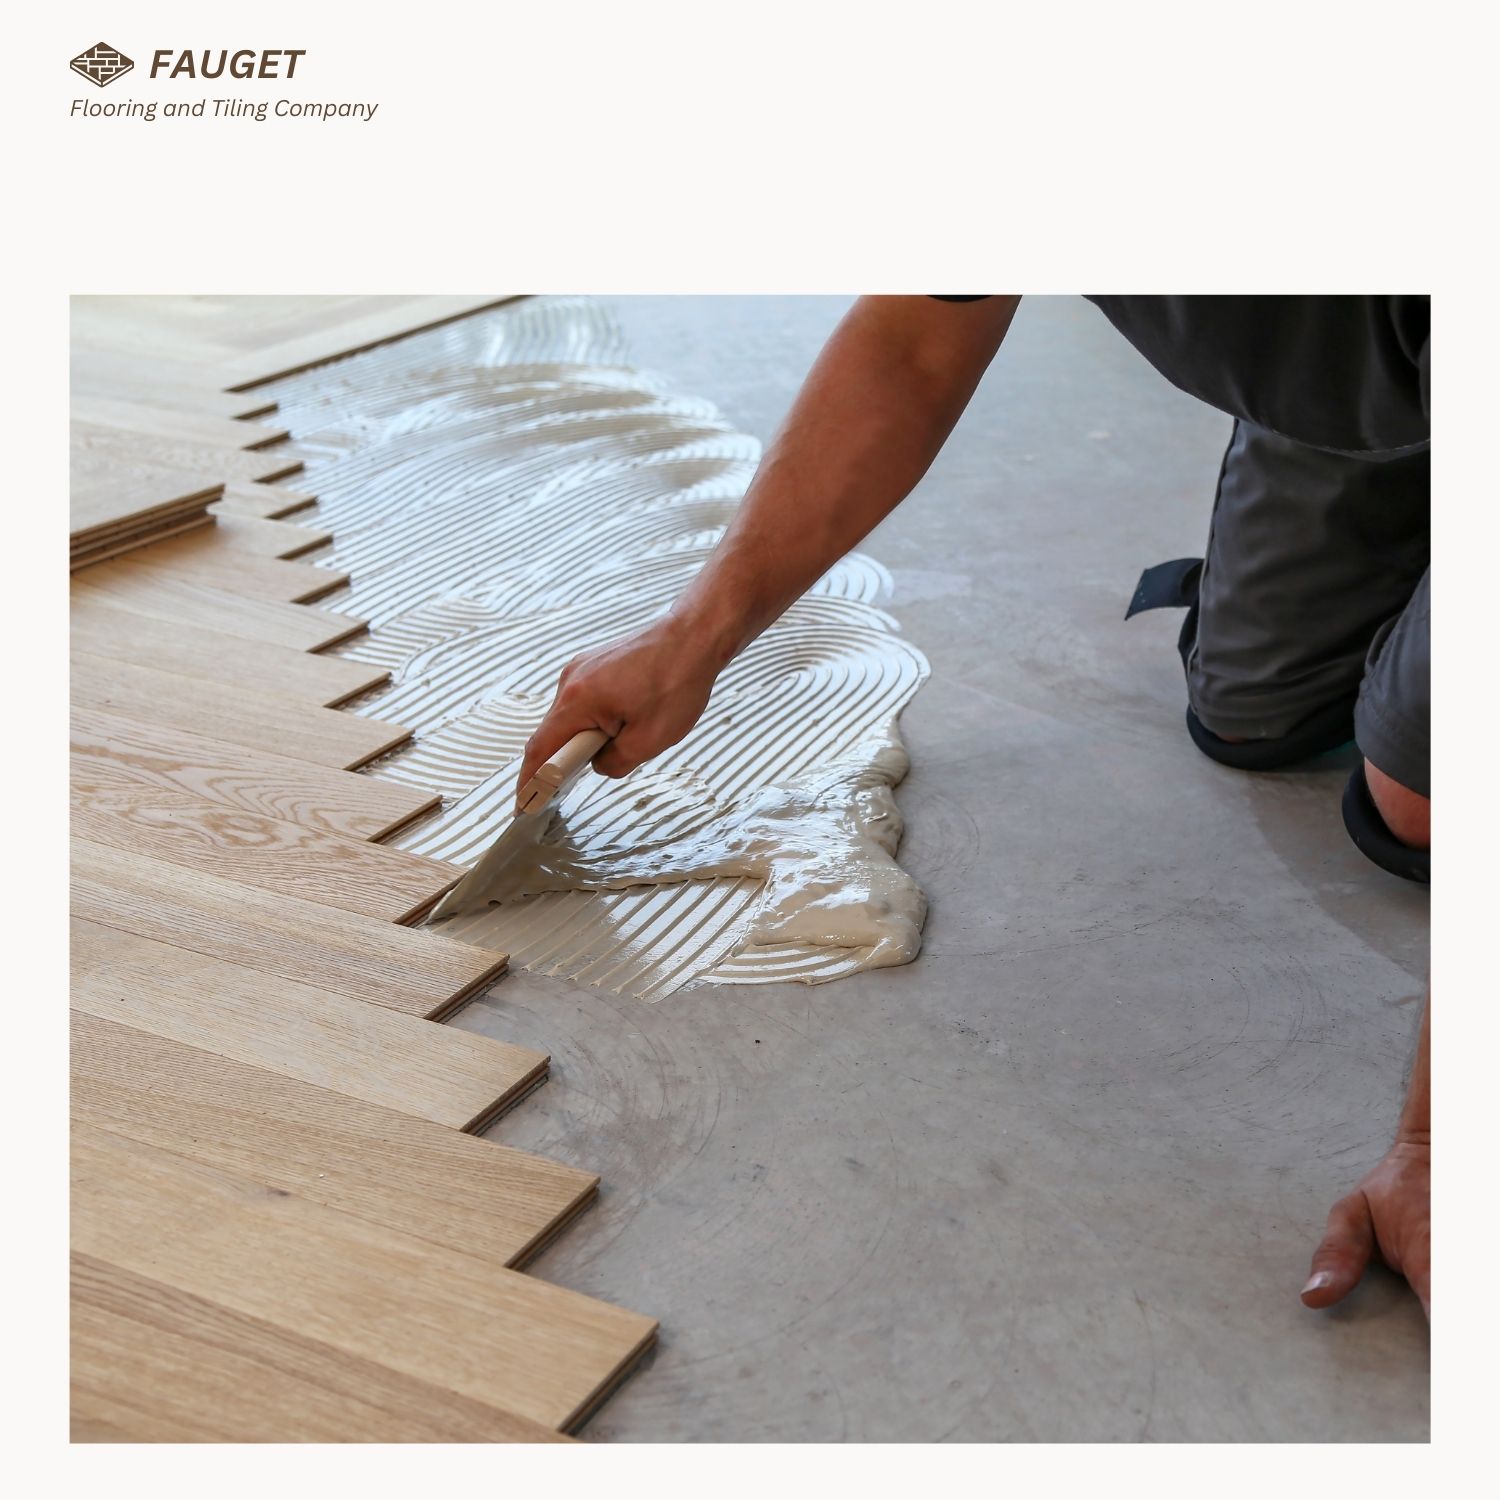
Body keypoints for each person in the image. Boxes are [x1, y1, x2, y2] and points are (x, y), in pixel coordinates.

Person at [518, 295, 1431, 1319]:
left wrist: (1436, 1143)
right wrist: (693, 637)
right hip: (1355, 352)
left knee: (1418, 801)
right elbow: (915, 343)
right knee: (1251, 715)